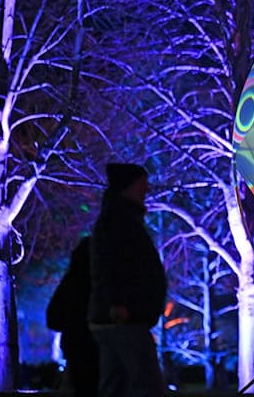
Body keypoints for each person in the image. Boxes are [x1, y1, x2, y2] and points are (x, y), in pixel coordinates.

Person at [88, 163, 167, 397]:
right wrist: (118, 302)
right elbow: (110, 264)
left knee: (116, 384)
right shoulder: (119, 222)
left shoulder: (119, 220)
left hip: (120, 315)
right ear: (128, 187)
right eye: (141, 184)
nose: (146, 190)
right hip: (125, 317)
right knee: (147, 385)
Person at [46, 236, 98, 396]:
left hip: (75, 347)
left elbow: (53, 318)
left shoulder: (70, 283)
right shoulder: (102, 284)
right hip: (98, 346)